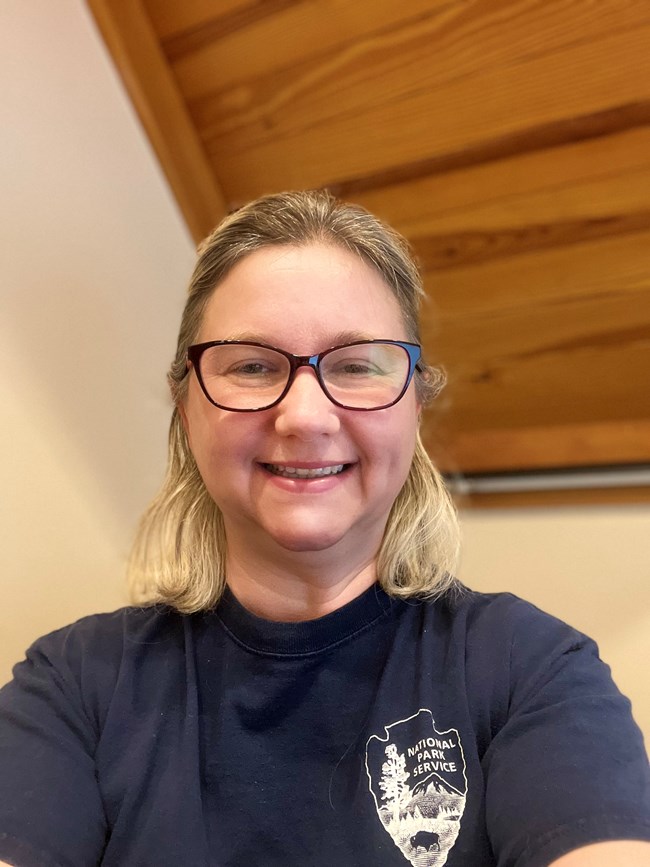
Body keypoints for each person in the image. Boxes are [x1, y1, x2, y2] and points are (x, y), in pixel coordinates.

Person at [0, 190, 648, 867]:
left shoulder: (534, 671)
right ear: (186, 406)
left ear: (414, 408)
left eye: (356, 365)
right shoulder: (73, 686)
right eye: (252, 365)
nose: (305, 416)